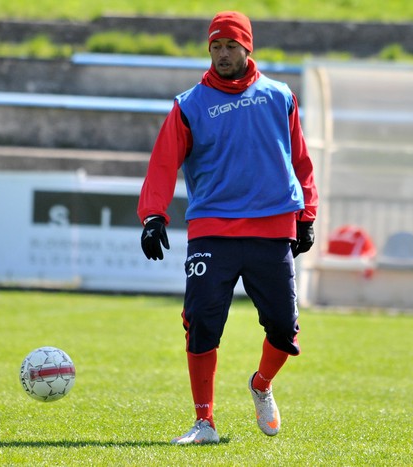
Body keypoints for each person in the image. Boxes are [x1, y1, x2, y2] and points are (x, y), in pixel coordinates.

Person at [138, 11, 318, 444]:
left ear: (247, 48)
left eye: (230, 46)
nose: (222, 54)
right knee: (201, 321)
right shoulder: (189, 104)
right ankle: (204, 423)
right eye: (215, 46)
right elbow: (163, 163)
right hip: (212, 229)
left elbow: (300, 161)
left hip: (271, 228)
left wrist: (307, 213)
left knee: (283, 326)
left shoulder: (279, 97)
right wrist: (153, 215)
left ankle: (260, 385)